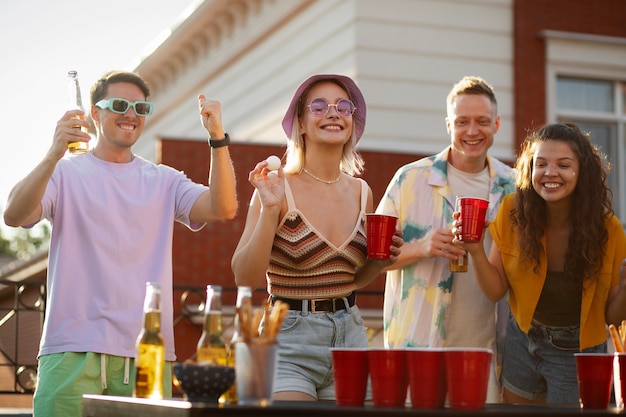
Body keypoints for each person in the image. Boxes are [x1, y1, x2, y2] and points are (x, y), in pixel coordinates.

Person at [2, 70, 237, 417]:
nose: (131, 114)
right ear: (94, 113)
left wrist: (217, 138)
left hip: (147, 354)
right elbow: (14, 215)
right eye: (120, 105)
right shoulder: (65, 173)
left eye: (141, 108)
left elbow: (224, 207)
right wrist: (54, 153)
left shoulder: (163, 180)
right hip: (70, 350)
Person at [231, 74, 402, 401]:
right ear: (301, 123)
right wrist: (269, 211)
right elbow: (244, 276)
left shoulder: (362, 192)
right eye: (320, 106)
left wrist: (380, 263)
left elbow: (349, 279)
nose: (334, 113)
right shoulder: (277, 187)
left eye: (344, 107)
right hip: (287, 339)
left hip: (350, 335)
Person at [453, 122, 626, 405]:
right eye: (541, 163)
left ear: (582, 172)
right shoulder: (513, 211)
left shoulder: (608, 230)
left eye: (564, 165)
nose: (550, 173)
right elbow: (496, 290)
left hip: (577, 350)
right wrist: (474, 251)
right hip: (524, 337)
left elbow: (612, 317)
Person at [376, 75, 515, 403]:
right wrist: (422, 247)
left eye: (482, 121)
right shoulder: (409, 180)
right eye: (462, 121)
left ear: (496, 124)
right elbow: (373, 258)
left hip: (485, 352)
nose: (472, 131)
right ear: (448, 124)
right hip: (416, 346)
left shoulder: (514, 186)